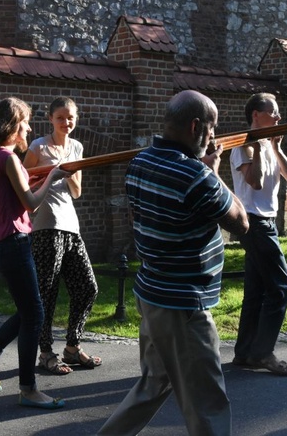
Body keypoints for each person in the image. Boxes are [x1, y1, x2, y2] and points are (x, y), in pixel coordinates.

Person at [98, 90, 249, 436]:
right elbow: (241, 222)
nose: (213, 137)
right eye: (211, 129)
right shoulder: (196, 176)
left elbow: (147, 214)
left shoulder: (139, 163)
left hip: (151, 293)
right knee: (208, 405)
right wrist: (214, 171)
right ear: (196, 126)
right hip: (183, 305)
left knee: (153, 385)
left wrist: (203, 170)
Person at [0, 97, 71, 410]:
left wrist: (38, 176)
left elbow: (17, 189)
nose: (29, 127)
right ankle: (28, 389)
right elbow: (30, 203)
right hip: (14, 242)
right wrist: (52, 177)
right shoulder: (8, 158)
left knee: (28, 310)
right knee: (35, 314)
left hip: (4, 245)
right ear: (13, 126)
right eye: (25, 122)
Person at [22, 97, 101, 375]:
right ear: (50, 119)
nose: (66, 122)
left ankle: (72, 347)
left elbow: (77, 192)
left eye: (71, 117)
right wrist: (50, 175)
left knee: (88, 287)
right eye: (61, 117)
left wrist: (67, 171)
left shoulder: (77, 147)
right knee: (47, 292)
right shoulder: (38, 146)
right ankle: (45, 353)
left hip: (71, 225)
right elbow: (24, 184)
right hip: (46, 225)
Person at [230, 92, 287, 376]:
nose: (279, 117)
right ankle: (263, 353)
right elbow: (255, 183)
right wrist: (258, 148)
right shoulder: (242, 146)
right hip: (253, 222)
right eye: (273, 112)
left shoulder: (270, 145)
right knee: (283, 288)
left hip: (267, 222)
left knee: (256, 292)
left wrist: (275, 147)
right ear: (256, 115)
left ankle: (245, 353)